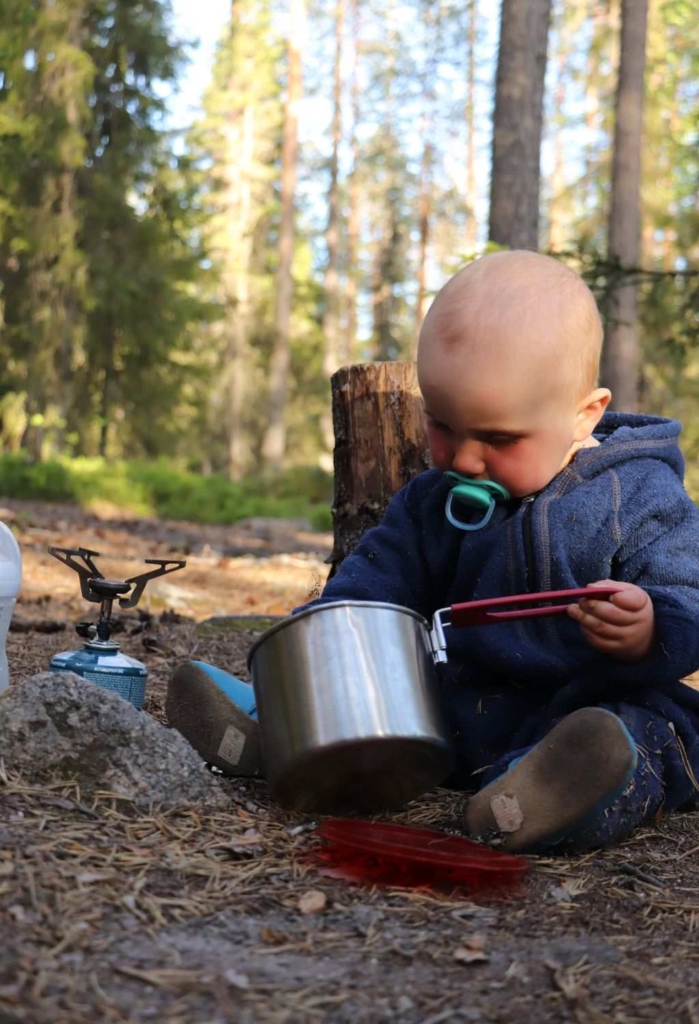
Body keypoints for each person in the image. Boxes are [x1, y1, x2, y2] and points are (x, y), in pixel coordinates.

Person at [167, 250, 699, 853]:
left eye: (498, 438)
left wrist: (653, 626)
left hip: (580, 708)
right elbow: (374, 583)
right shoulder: (431, 502)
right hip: (451, 714)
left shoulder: (638, 494)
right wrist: (321, 648)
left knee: (648, 735)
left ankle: (548, 796)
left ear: (585, 416)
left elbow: (690, 591)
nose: (465, 460)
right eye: (443, 425)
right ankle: (285, 733)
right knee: (377, 706)